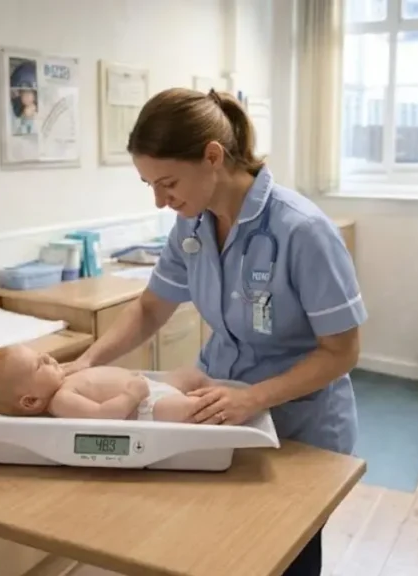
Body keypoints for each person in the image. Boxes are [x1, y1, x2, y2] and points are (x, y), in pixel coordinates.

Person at [62, 87, 366, 575]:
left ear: (212, 157)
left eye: (168, 182)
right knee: (217, 552)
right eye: (150, 186)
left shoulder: (301, 230)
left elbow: (342, 351)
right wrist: (88, 361)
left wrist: (255, 397)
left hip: (299, 426)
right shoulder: (191, 226)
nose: (161, 200)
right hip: (215, 411)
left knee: (285, 559)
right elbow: (149, 309)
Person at [0, 343, 211, 422]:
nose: (47, 357)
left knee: (193, 375)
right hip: (146, 406)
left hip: (147, 386)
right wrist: (132, 395)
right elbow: (102, 416)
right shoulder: (61, 401)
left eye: (41, 355)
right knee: (196, 410)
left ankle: (226, 394)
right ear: (31, 401)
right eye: (39, 365)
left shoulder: (61, 380)